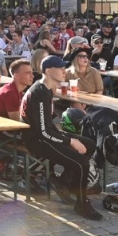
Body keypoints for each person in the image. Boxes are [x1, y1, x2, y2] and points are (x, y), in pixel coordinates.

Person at [20, 56, 98, 218]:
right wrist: (70, 141)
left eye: (64, 68)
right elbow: (43, 132)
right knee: (81, 163)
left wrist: (68, 138)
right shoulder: (40, 92)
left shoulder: (47, 89)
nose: (64, 71)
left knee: (89, 144)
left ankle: (63, 183)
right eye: (60, 68)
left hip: (47, 135)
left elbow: (48, 127)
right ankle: (82, 203)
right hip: (37, 140)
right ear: (48, 71)